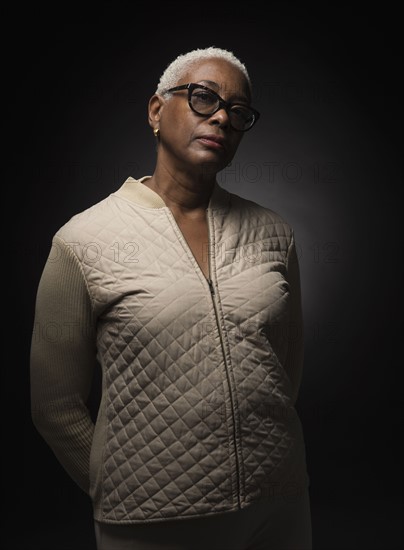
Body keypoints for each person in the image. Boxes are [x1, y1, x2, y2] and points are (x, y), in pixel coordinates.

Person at [30, 46, 312, 550]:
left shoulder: (274, 233)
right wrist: (114, 484)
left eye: (238, 111)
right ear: (157, 111)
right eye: (204, 97)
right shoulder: (83, 240)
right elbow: (54, 404)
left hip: (280, 505)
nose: (222, 116)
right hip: (149, 520)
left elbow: (284, 369)